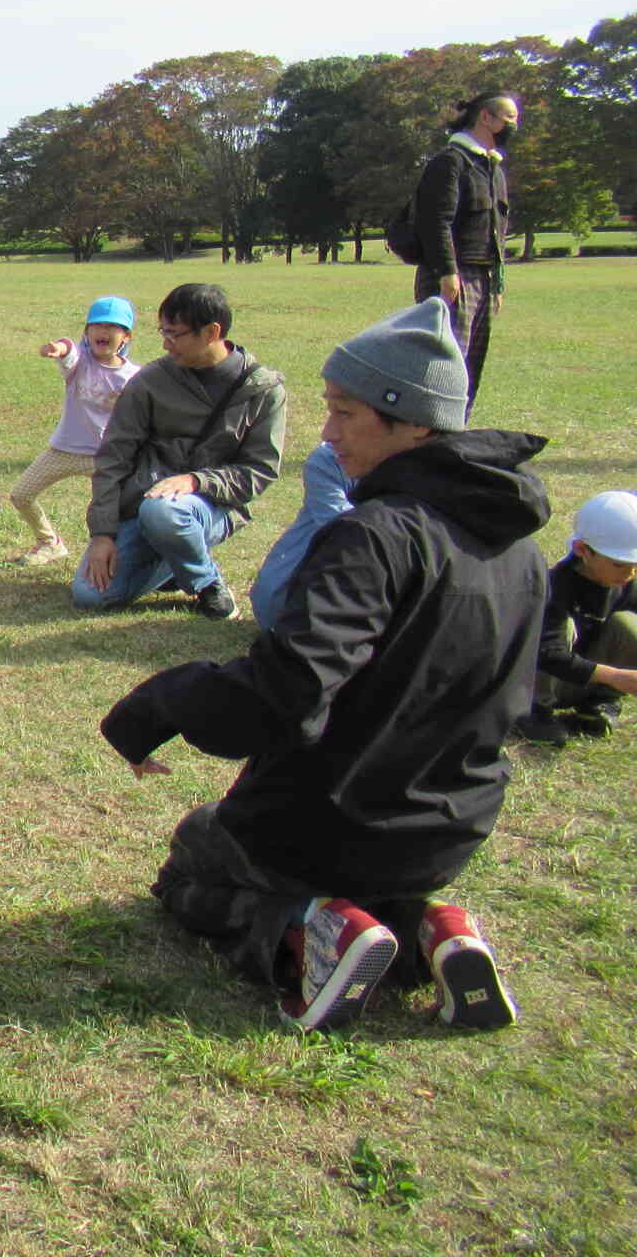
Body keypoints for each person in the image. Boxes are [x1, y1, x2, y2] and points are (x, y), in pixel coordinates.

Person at [101, 299, 546, 1033]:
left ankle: (309, 931)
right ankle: (436, 926)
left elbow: (288, 690)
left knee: (191, 861)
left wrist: (165, 701)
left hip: (330, 821)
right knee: (380, 874)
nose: (329, 432)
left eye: (345, 413)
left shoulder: (375, 536)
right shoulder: (523, 550)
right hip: (450, 831)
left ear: (413, 423)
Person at [74, 283, 287, 619]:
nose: (164, 344)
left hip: (208, 508)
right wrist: (102, 533)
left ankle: (206, 583)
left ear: (212, 332)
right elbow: (113, 456)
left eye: (174, 334)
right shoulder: (150, 381)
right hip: (141, 504)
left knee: (164, 512)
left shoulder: (262, 389)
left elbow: (259, 471)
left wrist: (197, 481)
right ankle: (174, 559)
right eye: (162, 332)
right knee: (90, 595)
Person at [8, 296, 141, 566]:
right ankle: (49, 543)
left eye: (112, 327)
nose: (103, 332)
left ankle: (125, 554)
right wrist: (58, 347)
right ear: (87, 331)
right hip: (65, 450)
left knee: (123, 508)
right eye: (97, 325)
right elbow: (68, 348)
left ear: (126, 336)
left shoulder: (134, 377)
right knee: (21, 494)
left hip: (106, 457)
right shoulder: (80, 364)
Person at [412, 90, 517, 414]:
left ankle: (455, 436)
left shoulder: (493, 169)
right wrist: (447, 272)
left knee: (470, 368)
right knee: (444, 365)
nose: (515, 125)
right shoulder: (450, 163)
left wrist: (496, 284)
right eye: (509, 117)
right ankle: (425, 441)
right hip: (452, 277)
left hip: (482, 279)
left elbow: (496, 231)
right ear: (486, 117)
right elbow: (435, 221)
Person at [514, 490, 637, 746]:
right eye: (619, 564)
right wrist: (614, 676)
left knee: (628, 623)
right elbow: (547, 653)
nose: (629, 572)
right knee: (565, 627)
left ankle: (598, 703)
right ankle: (534, 712)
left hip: (587, 680)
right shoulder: (555, 587)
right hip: (542, 682)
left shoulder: (626, 582)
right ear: (582, 549)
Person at [247, 443, 355, 633]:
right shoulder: (331, 458)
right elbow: (351, 537)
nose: (328, 433)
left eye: (346, 414)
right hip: (284, 608)